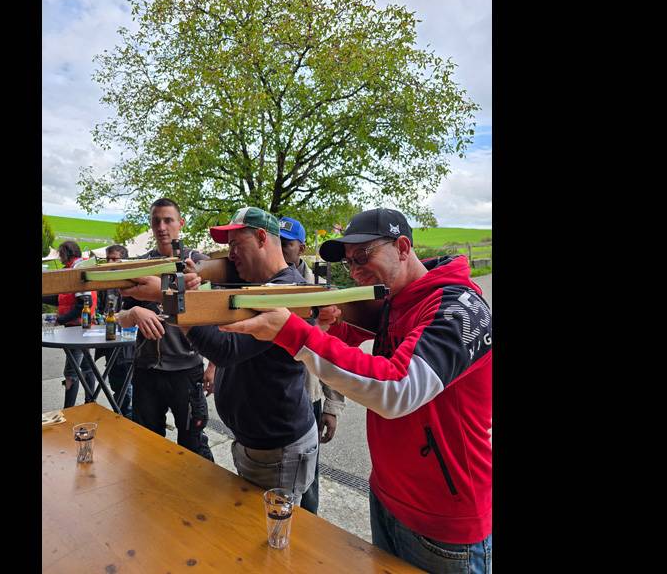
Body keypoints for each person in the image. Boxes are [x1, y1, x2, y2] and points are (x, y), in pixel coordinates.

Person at [220, 208, 492, 573]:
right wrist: (330, 325)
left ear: (402, 247)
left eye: (364, 256)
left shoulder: (461, 309)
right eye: (350, 262)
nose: (356, 270)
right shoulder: (399, 299)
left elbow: (397, 388)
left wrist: (295, 332)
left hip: (446, 521)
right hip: (387, 496)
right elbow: (364, 337)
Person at [181, 207, 319, 504]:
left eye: (235, 245)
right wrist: (197, 272)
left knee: (272, 537)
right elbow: (213, 267)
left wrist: (176, 303)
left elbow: (226, 348)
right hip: (257, 442)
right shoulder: (255, 285)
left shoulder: (287, 291)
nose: (230, 255)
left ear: (260, 238)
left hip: (278, 447)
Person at [115, 199, 214, 462]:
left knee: (194, 446)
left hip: (187, 369)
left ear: (181, 223)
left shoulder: (200, 263)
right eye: (156, 220)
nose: (161, 226)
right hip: (147, 369)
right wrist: (134, 312)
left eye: (168, 220)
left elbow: (218, 314)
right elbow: (119, 317)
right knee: (148, 445)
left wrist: (214, 365)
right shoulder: (138, 265)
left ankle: (202, 502)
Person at [278, 215, 346, 514]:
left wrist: (332, 407)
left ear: (302, 248)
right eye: (276, 244)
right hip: (275, 398)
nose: (281, 251)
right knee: (277, 480)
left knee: (310, 478)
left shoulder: (319, 293)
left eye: (287, 244)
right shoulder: (264, 288)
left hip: (309, 396)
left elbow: (331, 352)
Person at [42, 240, 98, 408]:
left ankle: (69, 410)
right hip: (83, 326)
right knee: (87, 366)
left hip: (78, 327)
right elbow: (64, 299)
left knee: (71, 371)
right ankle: (90, 403)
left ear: (66, 253)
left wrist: (61, 320)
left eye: (61, 254)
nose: (59, 258)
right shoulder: (76, 268)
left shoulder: (77, 271)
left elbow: (83, 304)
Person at [94, 244, 136, 420]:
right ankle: (121, 416)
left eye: (114, 258)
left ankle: (128, 418)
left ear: (123, 261)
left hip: (127, 344)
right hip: (109, 341)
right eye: (108, 258)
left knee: (129, 385)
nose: (110, 262)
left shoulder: (133, 282)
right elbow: (101, 310)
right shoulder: (105, 284)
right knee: (116, 383)